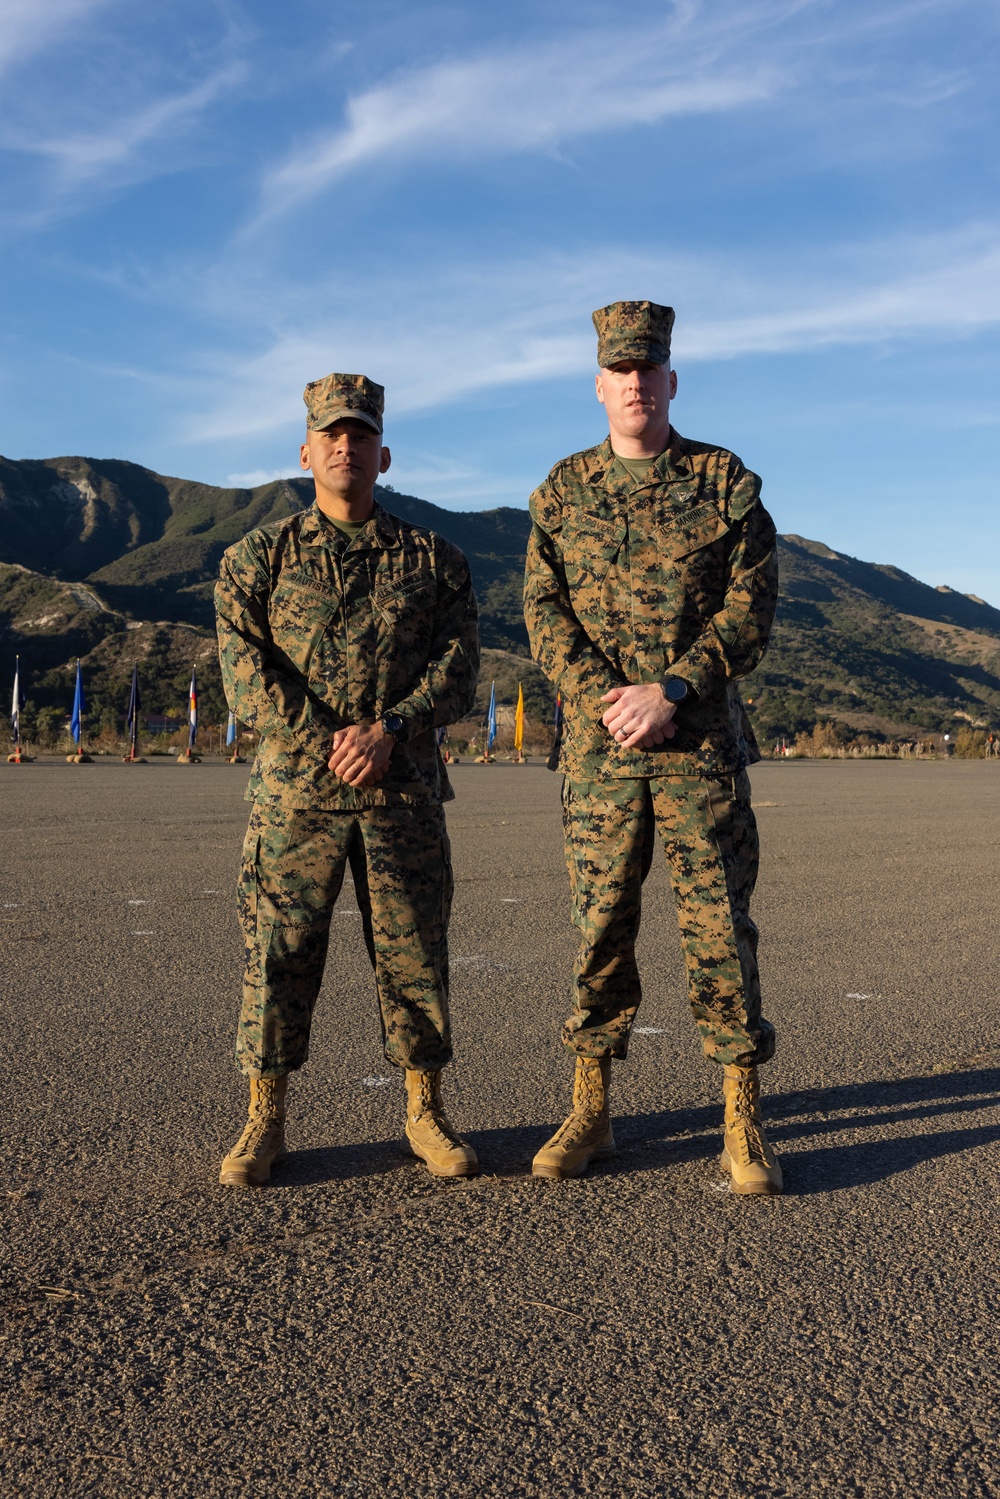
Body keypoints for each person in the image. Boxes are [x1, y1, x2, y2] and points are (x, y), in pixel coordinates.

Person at [523, 301, 782, 1194]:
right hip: (601, 757)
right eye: (620, 372)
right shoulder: (562, 492)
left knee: (719, 929)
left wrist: (671, 689)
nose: (636, 384)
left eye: (650, 370)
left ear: (671, 381)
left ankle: (742, 1116)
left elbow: (752, 607)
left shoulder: (723, 482)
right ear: (600, 386)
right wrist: (613, 702)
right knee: (599, 929)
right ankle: (590, 1106)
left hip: (698, 745)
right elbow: (542, 614)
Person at [215, 372, 480, 1187]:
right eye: (331, 433)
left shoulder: (432, 559)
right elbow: (244, 673)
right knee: (279, 955)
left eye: (360, 434)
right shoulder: (255, 558)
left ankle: (425, 1110)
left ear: (383, 453)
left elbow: (459, 667)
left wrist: (389, 729)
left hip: (400, 794)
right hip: (298, 796)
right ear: (305, 451)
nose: (345, 445)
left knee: (414, 956)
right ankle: (265, 1117)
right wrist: (333, 738)